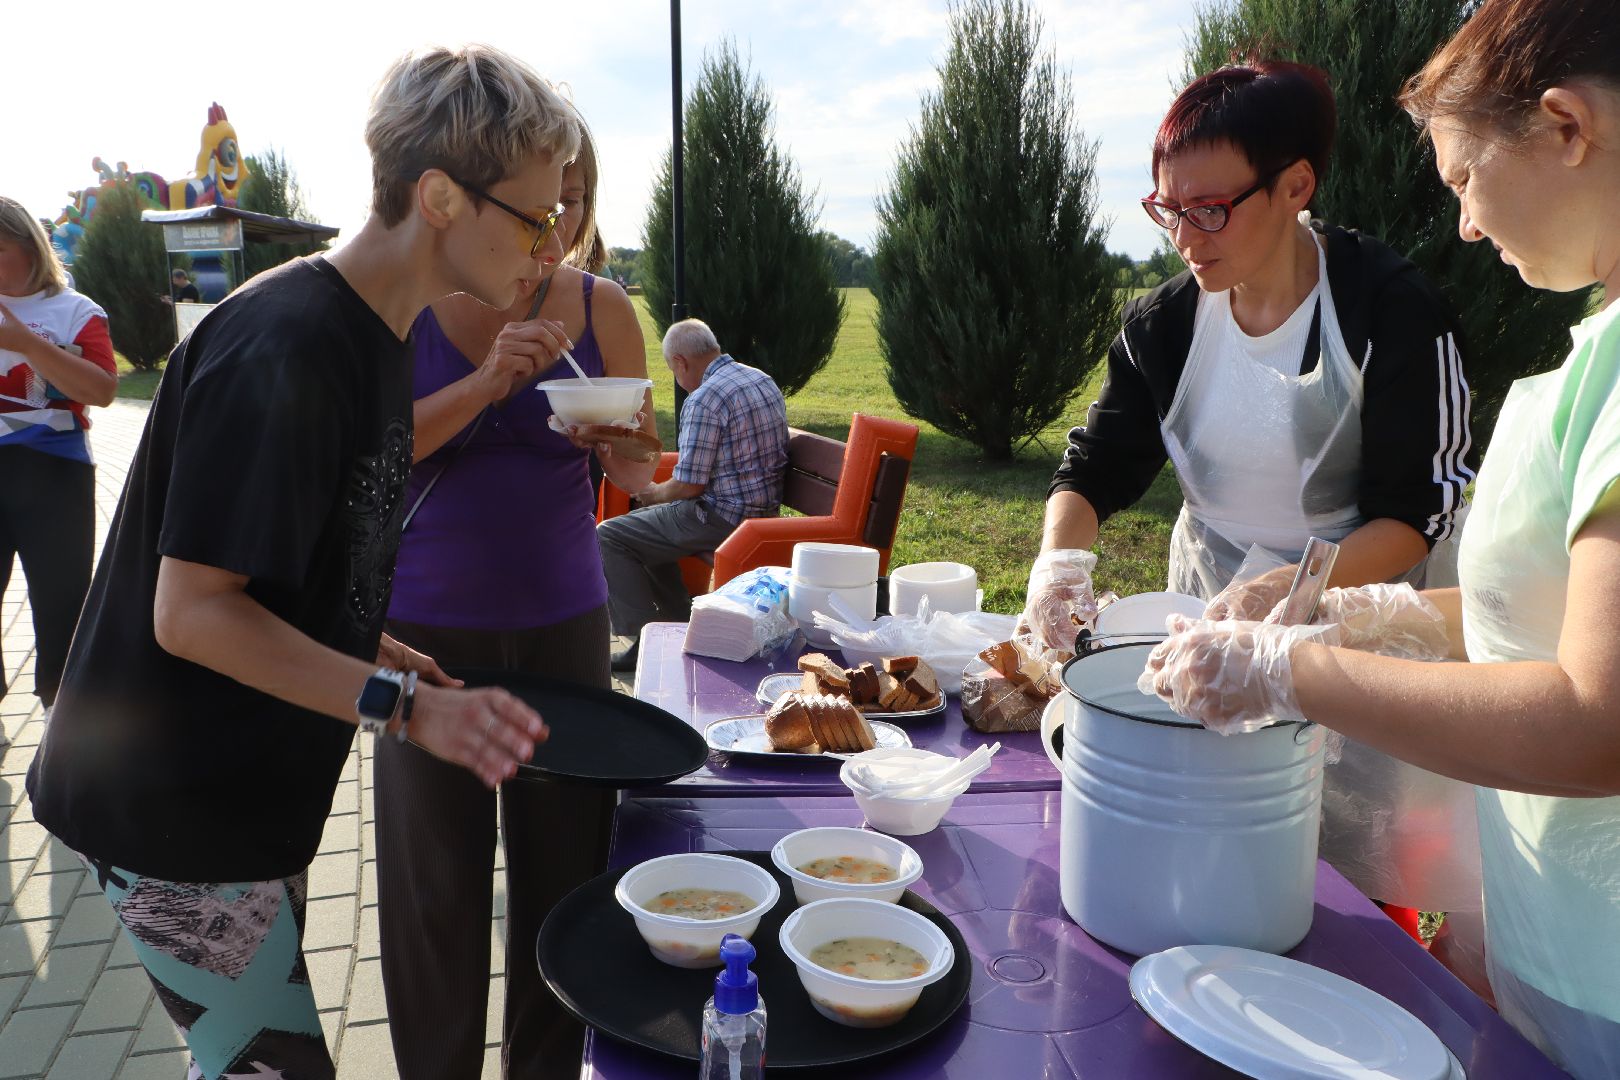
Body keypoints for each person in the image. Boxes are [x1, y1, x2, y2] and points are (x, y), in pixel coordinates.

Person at [25, 46, 573, 1079]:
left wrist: (368, 638)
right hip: (170, 804)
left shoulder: (377, 335)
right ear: (442, 197)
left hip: (239, 798)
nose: (552, 246)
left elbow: (278, 563)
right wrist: (406, 708)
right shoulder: (287, 344)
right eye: (538, 217)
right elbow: (189, 614)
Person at [1142, 2, 1620, 1073]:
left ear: (1565, 127)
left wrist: (1293, 672)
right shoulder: (1598, 347)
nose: (1462, 222)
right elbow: (1527, 622)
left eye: (1461, 179)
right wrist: (1347, 606)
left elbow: (1599, 724)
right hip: (1556, 945)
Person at [375, 113, 657, 1080]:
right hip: (424, 635)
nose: (555, 230)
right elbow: (371, 457)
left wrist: (621, 449)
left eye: (572, 206)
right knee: (433, 893)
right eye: (542, 207)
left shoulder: (603, 306)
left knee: (563, 884)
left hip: (565, 624)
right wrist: (489, 385)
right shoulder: (408, 305)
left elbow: (640, 463)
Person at [1026, 59, 1475, 647]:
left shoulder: (1392, 313)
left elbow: (1414, 516)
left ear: (1295, 186)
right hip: (1208, 601)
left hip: (1362, 623)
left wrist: (1289, 589)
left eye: (1211, 210)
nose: (1185, 239)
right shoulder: (1163, 326)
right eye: (1169, 211)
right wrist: (1058, 564)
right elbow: (1095, 468)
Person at [597, 318, 787, 670]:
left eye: (673, 370)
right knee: (646, 530)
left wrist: (650, 493)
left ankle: (644, 641)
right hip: (763, 517)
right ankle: (680, 625)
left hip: (723, 517)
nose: (678, 379)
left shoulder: (705, 399)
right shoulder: (761, 379)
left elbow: (688, 486)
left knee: (609, 536)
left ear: (681, 362)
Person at [0, 197, 117, 738]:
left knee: (61, 601)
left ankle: (62, 721)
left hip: (56, 474)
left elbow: (102, 389)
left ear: (29, 246)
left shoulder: (75, 310)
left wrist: (25, 343)